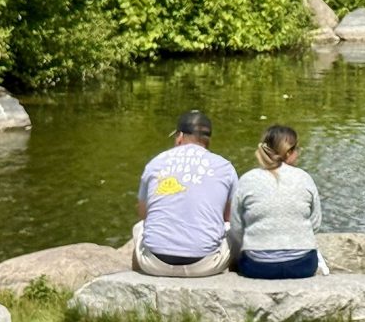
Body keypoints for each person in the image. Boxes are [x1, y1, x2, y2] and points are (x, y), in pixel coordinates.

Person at [132, 110, 238, 277]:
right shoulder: (225, 166)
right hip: (204, 265)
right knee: (233, 229)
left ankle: (135, 278)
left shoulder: (156, 162)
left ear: (180, 136)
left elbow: (143, 213)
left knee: (139, 227)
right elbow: (229, 217)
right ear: (207, 140)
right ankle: (234, 281)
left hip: (154, 264)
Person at [228, 125, 322, 279]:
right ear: (290, 152)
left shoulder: (247, 179)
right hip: (302, 265)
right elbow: (315, 223)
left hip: (257, 266)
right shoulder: (304, 178)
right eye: (297, 149)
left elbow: (236, 226)